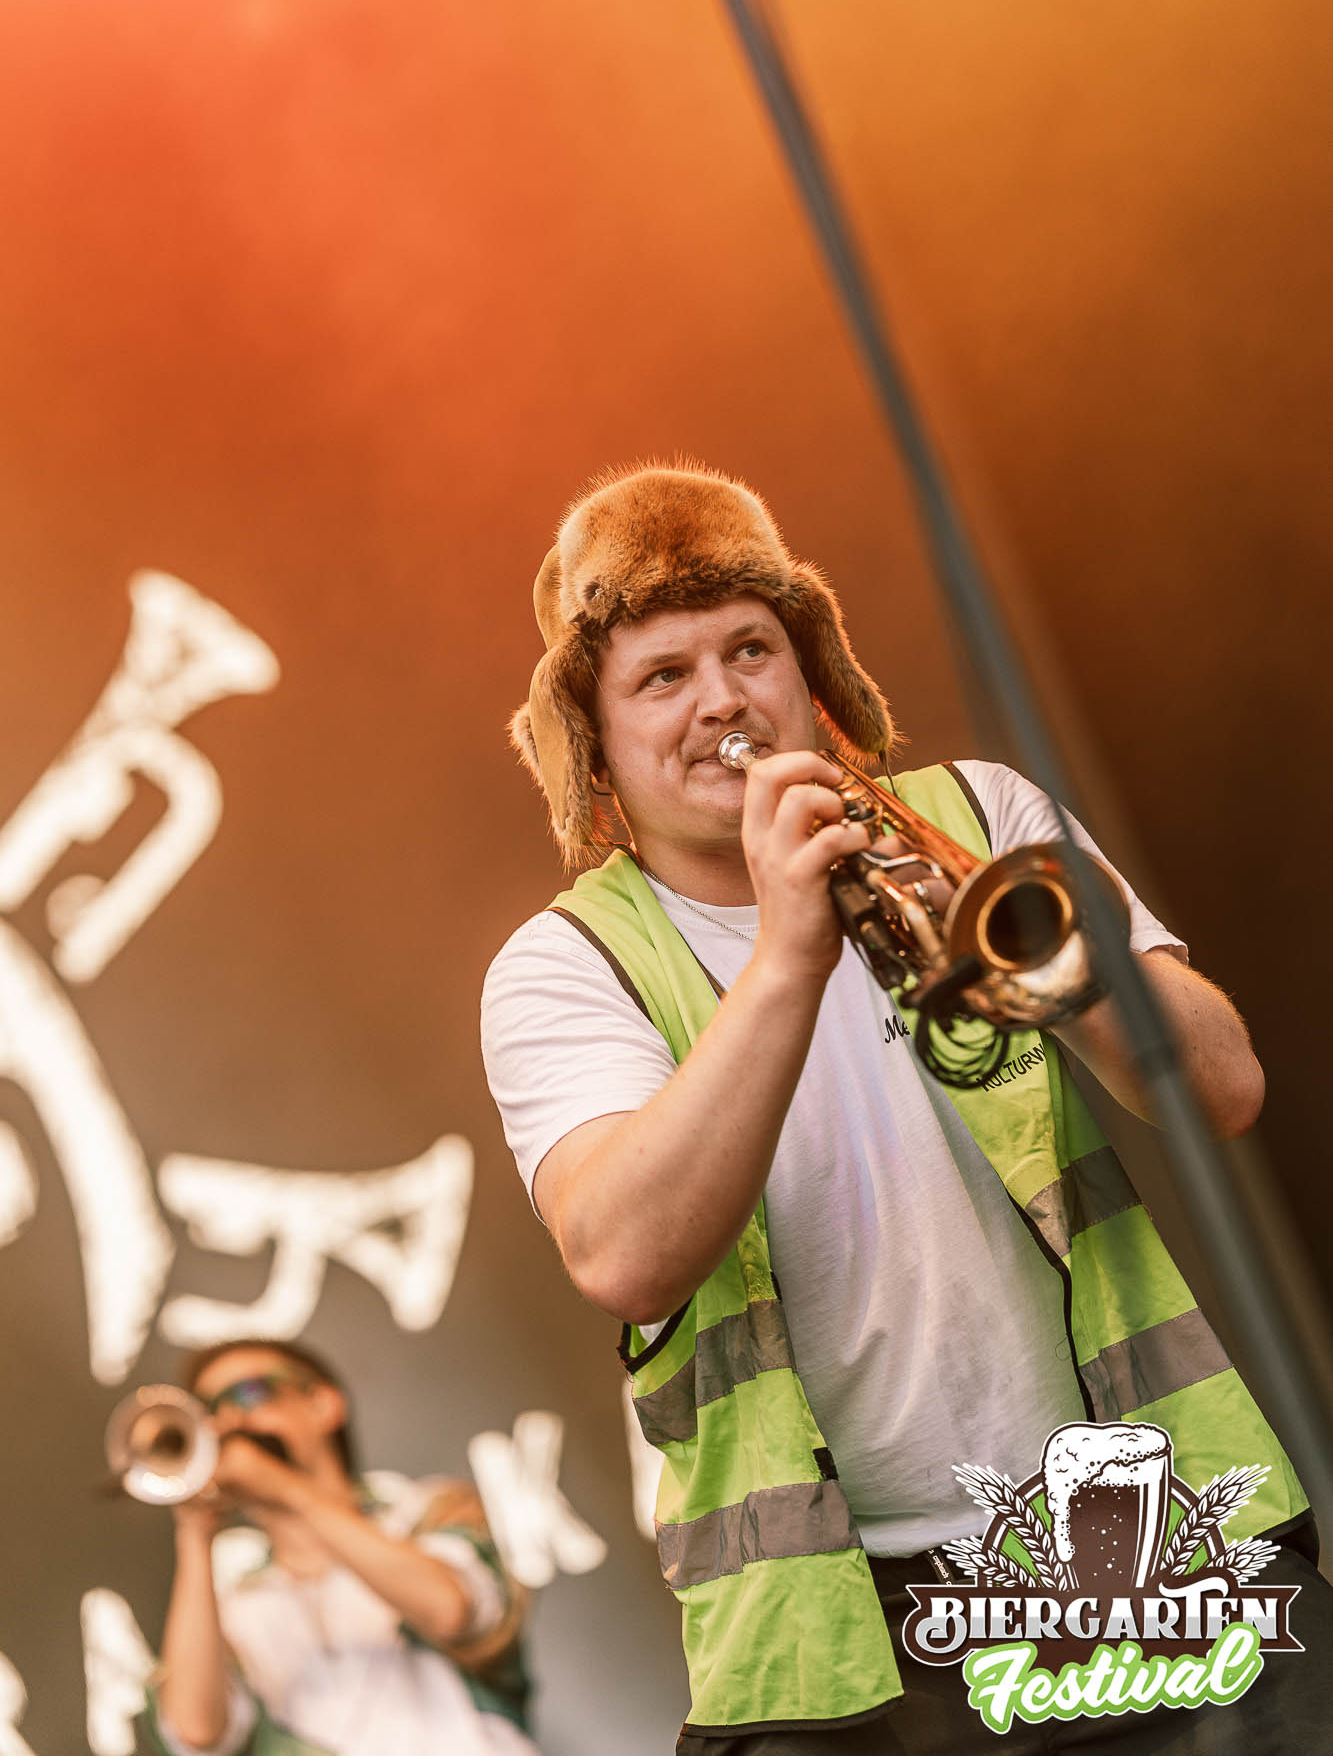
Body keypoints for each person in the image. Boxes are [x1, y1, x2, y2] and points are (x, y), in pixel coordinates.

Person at [481, 462, 1328, 1753]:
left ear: (809, 669)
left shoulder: (981, 811)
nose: (723, 700)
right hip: (862, 1628)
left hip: (1142, 1538)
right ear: (594, 739)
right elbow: (622, 1253)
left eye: (750, 649)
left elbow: (1222, 1087)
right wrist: (786, 952)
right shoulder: (563, 964)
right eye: (663, 676)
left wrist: (1039, 954)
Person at [140, 1337, 535, 1756]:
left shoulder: (427, 1510)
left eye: (250, 1392)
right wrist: (195, 1532)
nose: (230, 1421)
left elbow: (450, 1610)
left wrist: (285, 1488)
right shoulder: (236, 1597)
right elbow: (196, 1733)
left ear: (322, 1402)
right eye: (210, 1411)